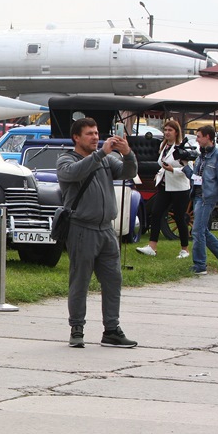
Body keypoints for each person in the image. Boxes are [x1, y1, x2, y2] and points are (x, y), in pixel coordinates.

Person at [57, 117, 138, 349]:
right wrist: (101, 154)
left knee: (113, 280)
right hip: (82, 229)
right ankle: (77, 329)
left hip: (106, 230)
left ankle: (111, 330)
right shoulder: (66, 159)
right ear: (76, 137)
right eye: (89, 134)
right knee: (80, 281)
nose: (95, 137)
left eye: (96, 132)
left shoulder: (106, 160)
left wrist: (128, 153)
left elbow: (127, 172)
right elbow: (73, 173)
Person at [182, 125, 218, 275]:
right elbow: (196, 178)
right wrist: (185, 167)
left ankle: (200, 265)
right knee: (201, 230)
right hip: (197, 196)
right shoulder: (201, 156)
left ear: (208, 137)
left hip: (207, 198)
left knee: (197, 231)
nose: (197, 140)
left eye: (198, 136)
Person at [136, 120, 191, 258]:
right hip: (165, 186)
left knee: (179, 217)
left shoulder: (181, 148)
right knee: (156, 213)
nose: (167, 132)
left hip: (179, 188)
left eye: (170, 130)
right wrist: (160, 173)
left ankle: (185, 249)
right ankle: (152, 246)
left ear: (176, 132)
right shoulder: (164, 146)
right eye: (165, 130)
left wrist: (173, 170)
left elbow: (187, 169)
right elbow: (162, 164)